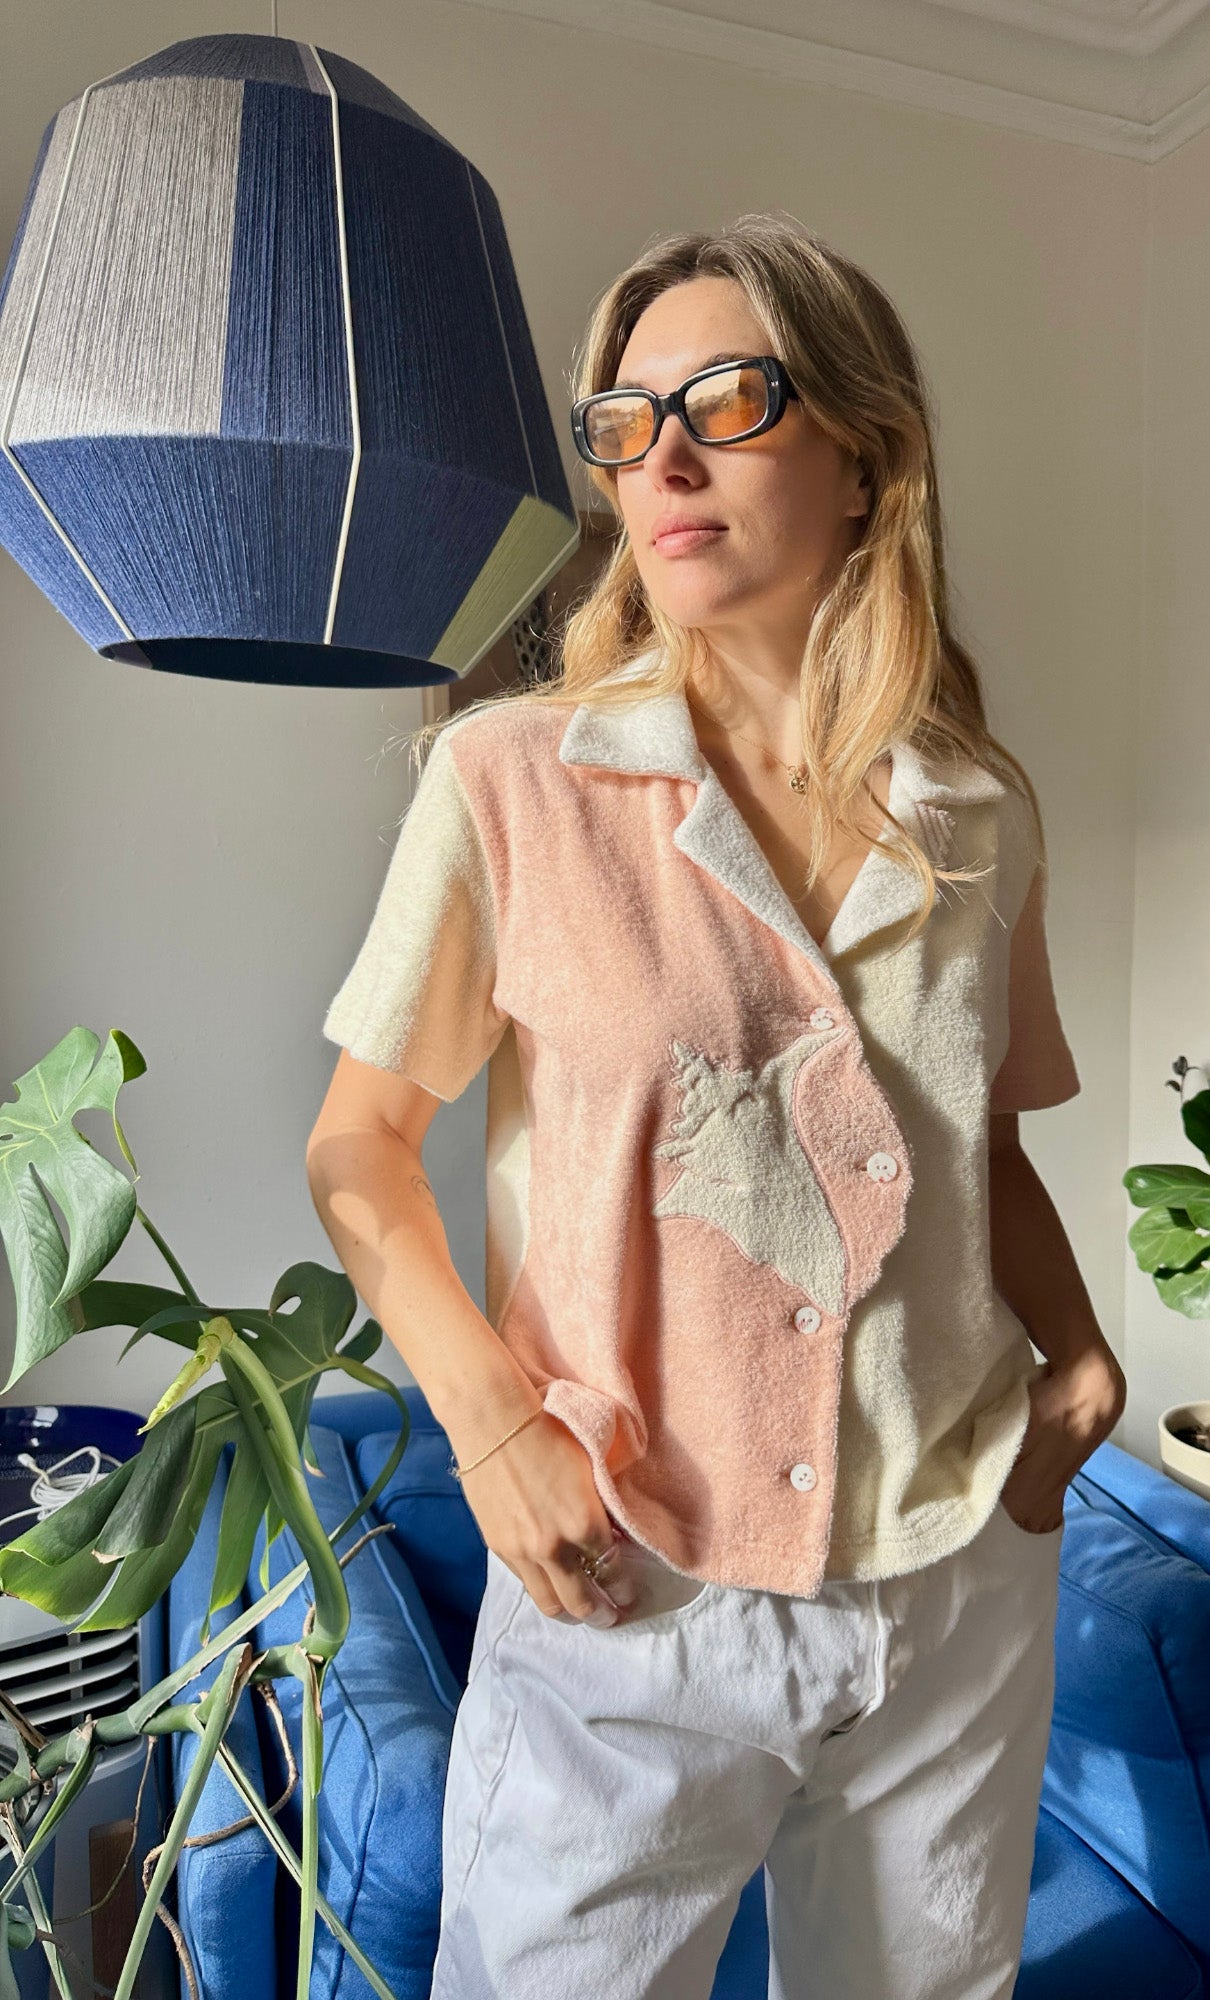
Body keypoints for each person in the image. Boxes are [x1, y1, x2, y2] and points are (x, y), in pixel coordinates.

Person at [306, 212, 1126, 2000]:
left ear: (865, 452)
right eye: (624, 418)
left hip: (951, 1568)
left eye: (729, 398)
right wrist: (499, 1434)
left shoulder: (981, 811)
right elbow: (359, 1151)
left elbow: (977, 1144)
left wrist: (1079, 1356)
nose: (661, 456)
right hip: (633, 1586)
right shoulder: (508, 778)